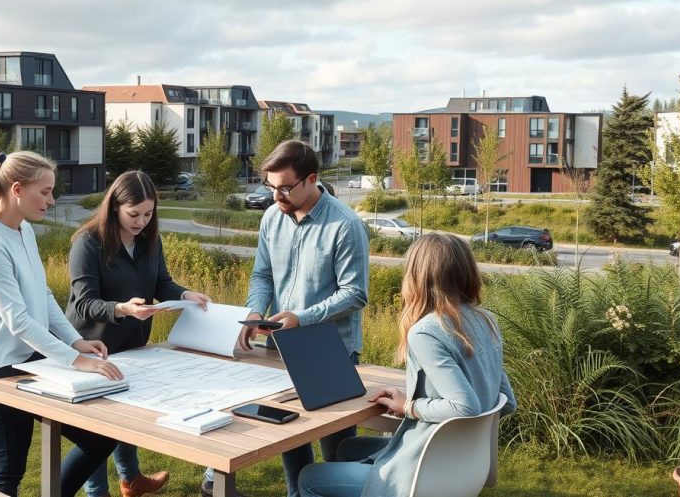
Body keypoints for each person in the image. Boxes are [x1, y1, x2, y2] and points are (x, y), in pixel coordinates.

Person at [297, 233, 517, 497]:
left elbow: (465, 407)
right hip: (462, 465)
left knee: (309, 477)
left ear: (416, 276)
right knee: (348, 448)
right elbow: (507, 401)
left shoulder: (427, 332)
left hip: (423, 471)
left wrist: (410, 406)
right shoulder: (487, 321)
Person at [0, 151, 124, 497]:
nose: (51, 200)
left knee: (99, 438)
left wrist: (76, 342)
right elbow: (17, 320)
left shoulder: (25, 232)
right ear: (17, 189)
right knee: (8, 471)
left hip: (27, 359)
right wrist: (75, 359)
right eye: (45, 192)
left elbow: (43, 294)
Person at [218, 140, 370, 497]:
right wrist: (255, 309)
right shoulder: (273, 217)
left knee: (337, 455)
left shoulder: (345, 225)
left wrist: (302, 318)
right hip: (279, 347)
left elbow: (355, 293)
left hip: (331, 352)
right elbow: (262, 276)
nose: (276, 197)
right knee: (287, 432)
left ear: (311, 179)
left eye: (285, 188)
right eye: (271, 188)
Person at [67, 170, 212, 497]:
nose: (141, 221)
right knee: (96, 431)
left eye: (148, 214)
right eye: (134, 214)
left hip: (133, 345)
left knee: (126, 417)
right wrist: (121, 308)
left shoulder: (150, 240)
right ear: (115, 206)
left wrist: (185, 295)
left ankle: (131, 480)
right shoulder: (88, 242)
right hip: (92, 348)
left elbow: (161, 282)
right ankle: (97, 492)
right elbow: (84, 303)